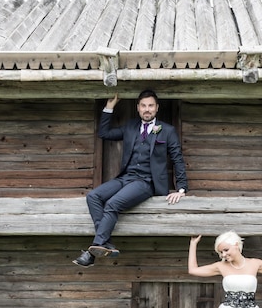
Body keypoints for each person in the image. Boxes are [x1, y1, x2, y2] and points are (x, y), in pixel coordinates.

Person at [73, 89, 188, 267]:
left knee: (112, 204)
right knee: (93, 197)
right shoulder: (130, 126)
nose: (147, 109)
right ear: (138, 108)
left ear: (157, 108)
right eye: (143, 106)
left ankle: (93, 251)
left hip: (146, 182)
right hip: (126, 177)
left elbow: (177, 159)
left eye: (150, 105)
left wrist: (181, 189)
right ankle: (104, 242)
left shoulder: (167, 131)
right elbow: (104, 133)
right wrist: (109, 107)